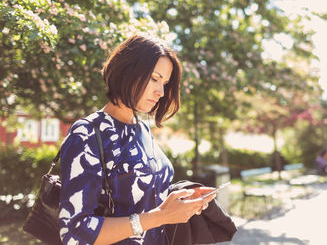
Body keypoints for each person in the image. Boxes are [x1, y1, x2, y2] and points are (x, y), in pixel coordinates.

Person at [58, 34, 216, 245]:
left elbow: (141, 195)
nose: (161, 91)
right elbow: (74, 231)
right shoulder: (87, 134)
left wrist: (181, 200)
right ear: (127, 72)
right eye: (154, 79)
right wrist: (161, 217)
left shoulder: (142, 129)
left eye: (165, 83)